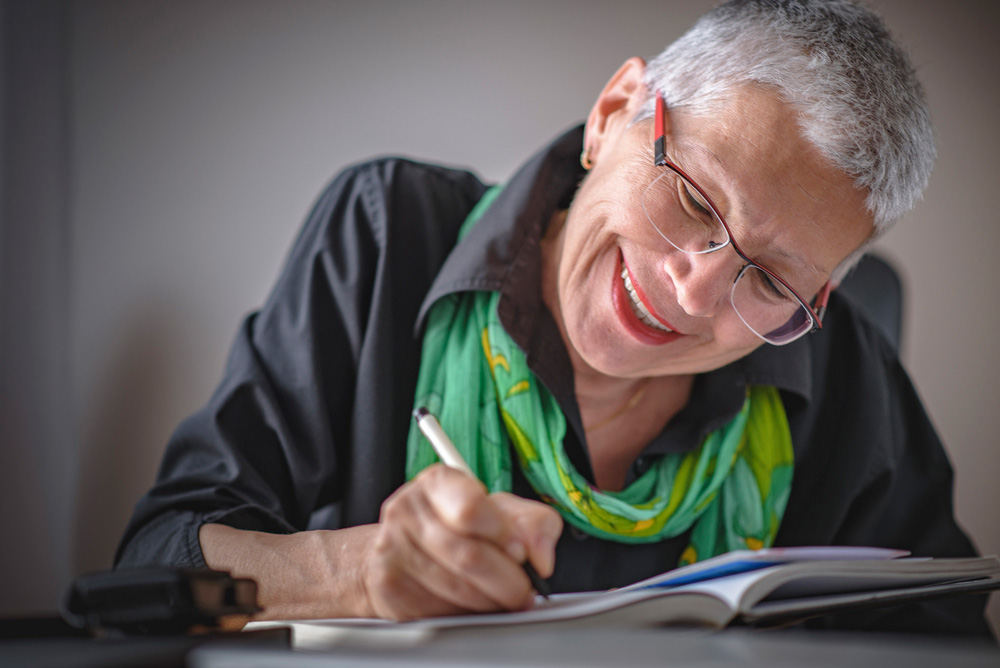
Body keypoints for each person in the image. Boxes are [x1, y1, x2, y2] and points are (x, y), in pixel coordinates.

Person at [116, 0, 992, 635]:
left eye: (768, 278)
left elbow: (946, 633)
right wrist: (351, 572)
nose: (695, 293)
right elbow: (149, 567)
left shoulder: (844, 368)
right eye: (692, 200)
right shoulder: (387, 238)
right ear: (613, 113)